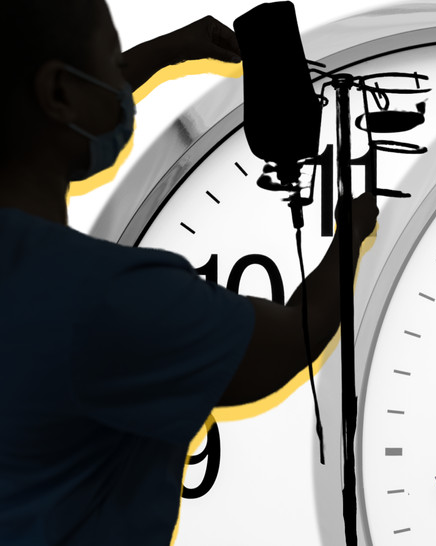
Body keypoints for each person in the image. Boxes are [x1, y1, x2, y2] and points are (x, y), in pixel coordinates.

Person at [0, 0, 378, 544]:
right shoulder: (109, 301)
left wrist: (168, 52)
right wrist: (351, 236)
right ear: (59, 93)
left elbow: (70, 96)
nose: (119, 76)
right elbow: (299, 333)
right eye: (111, 57)